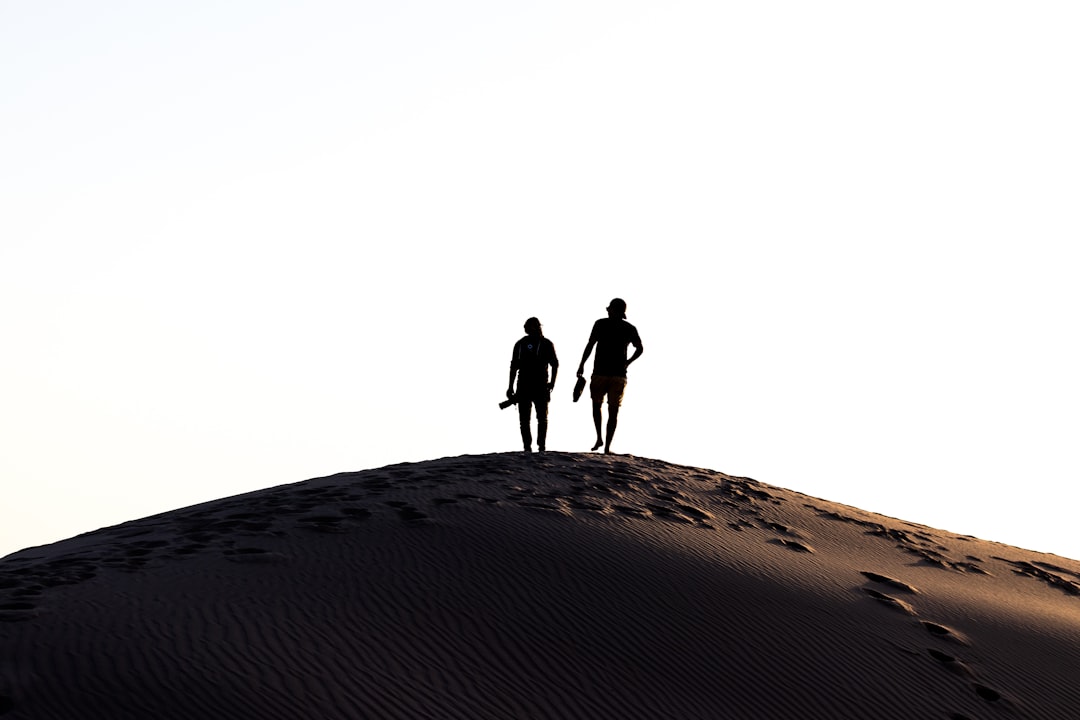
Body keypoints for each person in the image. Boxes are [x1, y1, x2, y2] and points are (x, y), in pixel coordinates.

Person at [576, 298, 643, 454]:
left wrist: (582, 364)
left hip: (603, 372)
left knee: (600, 406)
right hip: (617, 374)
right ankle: (604, 443)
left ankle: (603, 441)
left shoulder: (601, 324)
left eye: (610, 309)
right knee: (611, 410)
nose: (607, 311)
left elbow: (590, 344)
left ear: (614, 310)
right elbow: (640, 348)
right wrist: (628, 362)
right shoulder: (628, 328)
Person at [508, 317, 559, 453]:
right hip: (524, 386)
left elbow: (555, 364)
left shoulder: (546, 343)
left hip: (541, 385)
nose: (527, 329)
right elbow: (514, 366)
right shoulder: (520, 344)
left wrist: (552, 383)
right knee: (525, 419)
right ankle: (527, 447)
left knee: (541, 418)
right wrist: (510, 387)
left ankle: (541, 446)